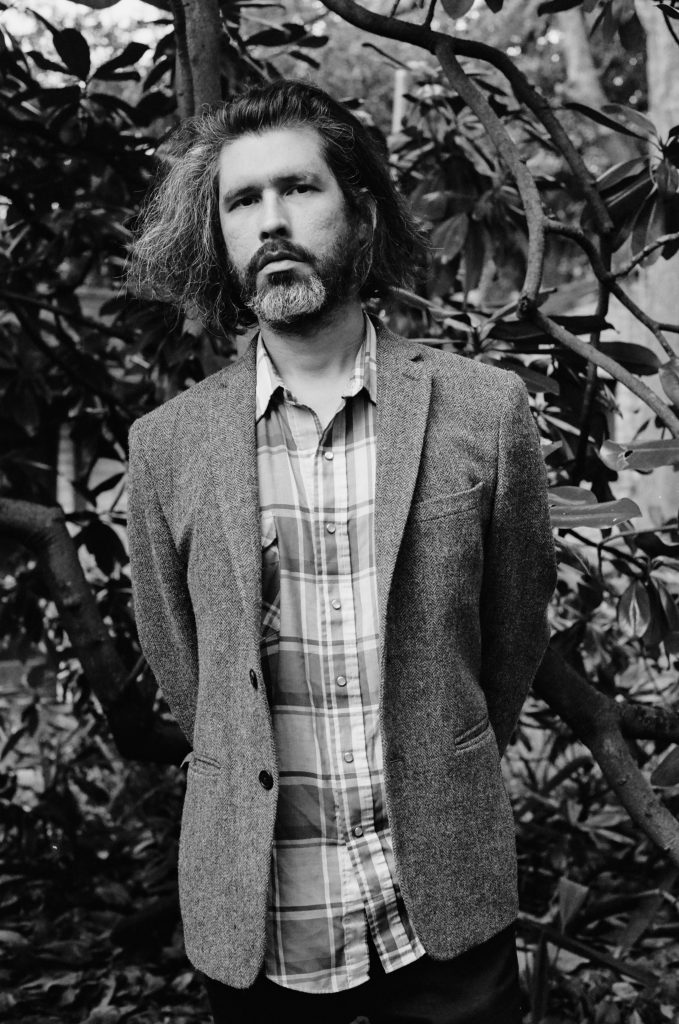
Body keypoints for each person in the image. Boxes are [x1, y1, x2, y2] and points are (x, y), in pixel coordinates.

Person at [126, 79, 556, 1024]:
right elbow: (183, 668)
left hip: (441, 899)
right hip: (263, 918)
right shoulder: (167, 446)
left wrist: (442, 742)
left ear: (358, 209)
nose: (271, 221)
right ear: (219, 236)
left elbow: (511, 637)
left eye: (298, 189)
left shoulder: (484, 411)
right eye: (243, 202)